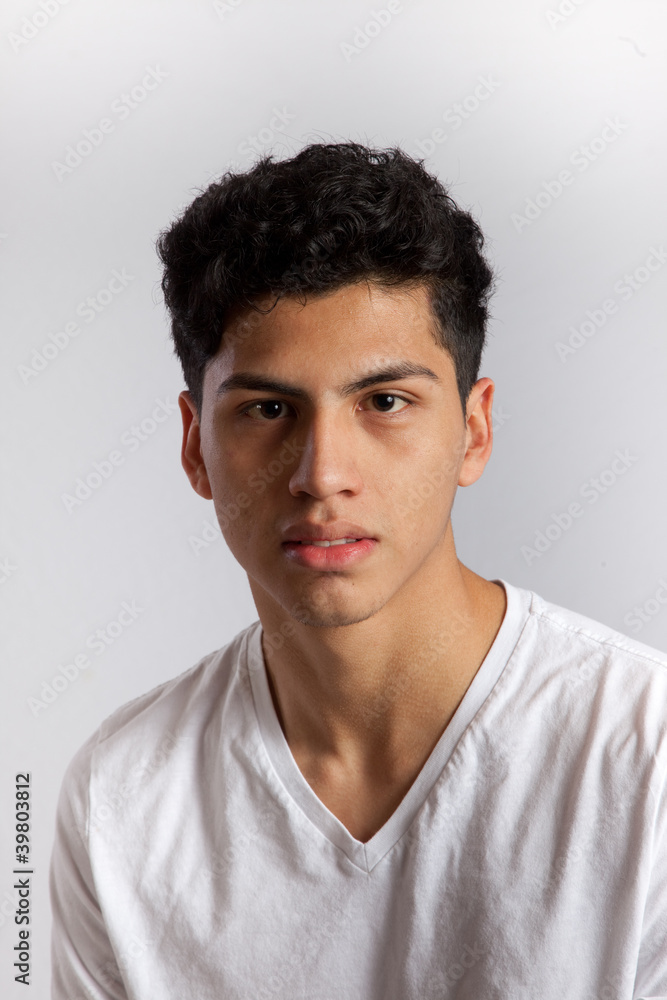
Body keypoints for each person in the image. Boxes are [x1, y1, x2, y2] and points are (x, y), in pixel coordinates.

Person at [50, 142, 667, 999]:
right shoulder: (117, 798)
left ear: (473, 431)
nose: (322, 474)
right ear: (195, 447)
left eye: (384, 402)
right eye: (268, 409)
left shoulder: (643, 755)